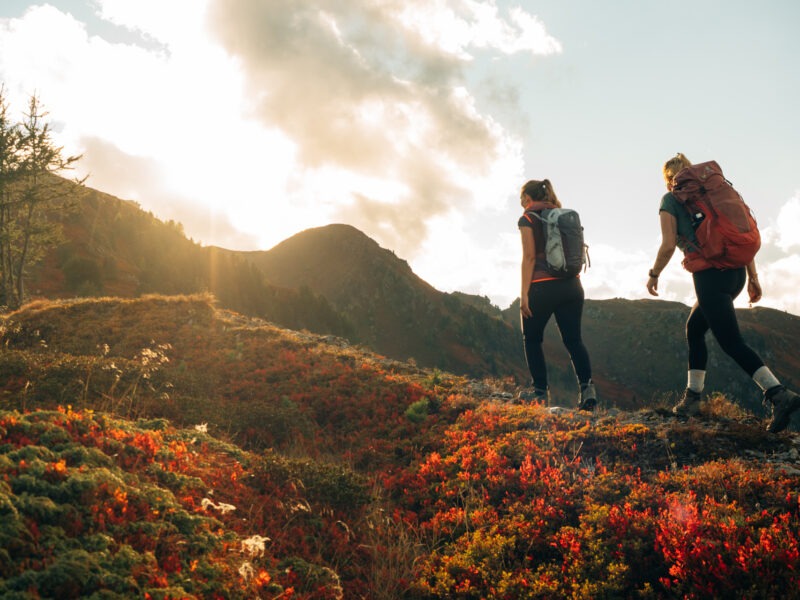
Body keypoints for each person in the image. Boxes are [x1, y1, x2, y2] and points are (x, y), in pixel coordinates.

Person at [647, 153, 800, 433]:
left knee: (731, 342)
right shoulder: (714, 193)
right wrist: (753, 278)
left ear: (671, 179)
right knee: (694, 328)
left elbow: (669, 244)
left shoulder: (671, 199)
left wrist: (654, 273)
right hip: (737, 273)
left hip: (710, 277)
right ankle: (693, 398)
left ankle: (780, 395)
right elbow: (735, 236)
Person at [517, 179, 596, 410]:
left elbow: (529, 257)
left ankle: (540, 392)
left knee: (532, 339)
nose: (521, 203)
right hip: (572, 287)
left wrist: (524, 294)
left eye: (521, 199)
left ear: (527, 199)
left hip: (542, 286)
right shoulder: (561, 215)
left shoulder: (528, 218)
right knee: (573, 340)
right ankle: (587, 390)